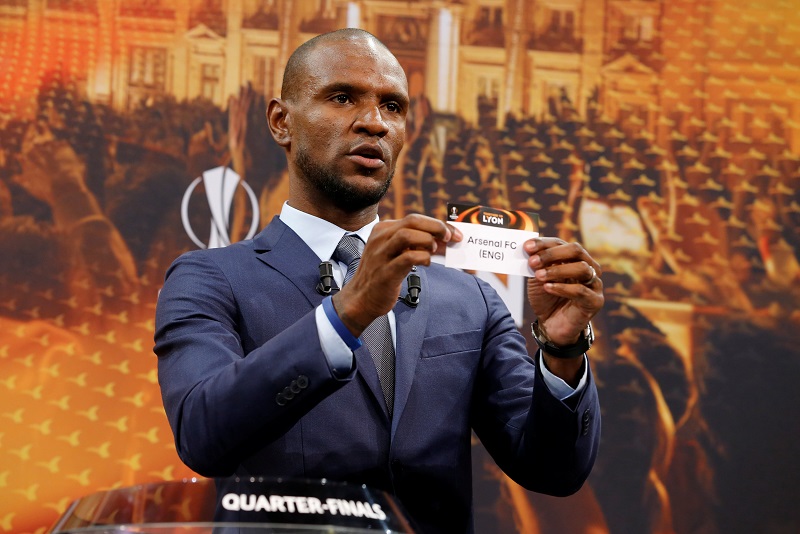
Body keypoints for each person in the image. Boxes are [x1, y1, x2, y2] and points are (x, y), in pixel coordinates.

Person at [155, 28, 604, 533]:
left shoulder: (470, 297)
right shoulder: (209, 279)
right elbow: (202, 435)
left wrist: (563, 350)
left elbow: (554, 469)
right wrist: (346, 314)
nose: (373, 123)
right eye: (342, 98)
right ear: (281, 122)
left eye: (393, 107)